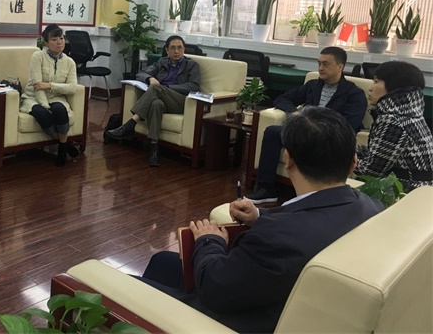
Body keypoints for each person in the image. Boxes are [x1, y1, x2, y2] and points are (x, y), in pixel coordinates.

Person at [139, 107, 383, 333]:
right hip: (307, 308)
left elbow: (214, 289)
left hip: (244, 320)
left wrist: (209, 241)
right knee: (162, 261)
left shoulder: (276, 239)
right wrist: (258, 217)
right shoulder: (372, 208)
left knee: (128, 285)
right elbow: (313, 223)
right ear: (353, 163)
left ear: (288, 159)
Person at [247, 46, 367, 204]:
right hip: (304, 132)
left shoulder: (354, 93)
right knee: (272, 132)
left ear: (340, 66)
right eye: (319, 63)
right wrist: (294, 113)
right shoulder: (312, 86)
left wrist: (321, 127)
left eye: (325, 64)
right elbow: (283, 98)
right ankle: (267, 188)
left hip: (328, 138)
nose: (320, 68)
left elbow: (349, 124)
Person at [106, 35, 201, 166]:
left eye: (180, 48)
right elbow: (141, 73)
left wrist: (167, 88)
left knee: (156, 89)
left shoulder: (192, 65)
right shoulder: (162, 62)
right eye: (173, 48)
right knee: (156, 104)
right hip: (162, 98)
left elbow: (194, 86)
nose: (176, 51)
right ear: (167, 50)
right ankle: (154, 149)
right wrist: (149, 78)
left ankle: (131, 124)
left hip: (180, 101)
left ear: (184, 49)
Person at [354, 61, 432, 191]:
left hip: (405, 192)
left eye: (376, 81)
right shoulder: (409, 113)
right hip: (420, 190)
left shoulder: (393, 120)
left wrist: (341, 158)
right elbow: (378, 156)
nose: (370, 88)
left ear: (394, 86)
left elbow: (370, 172)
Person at [20, 23, 80, 167]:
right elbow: (37, 86)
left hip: (56, 97)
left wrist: (50, 86)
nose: (59, 42)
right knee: (42, 113)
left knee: (59, 109)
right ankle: (64, 144)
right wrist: (46, 106)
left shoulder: (70, 62)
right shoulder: (37, 57)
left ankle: (61, 148)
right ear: (46, 43)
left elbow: (72, 87)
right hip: (34, 98)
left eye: (61, 38)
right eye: (54, 39)